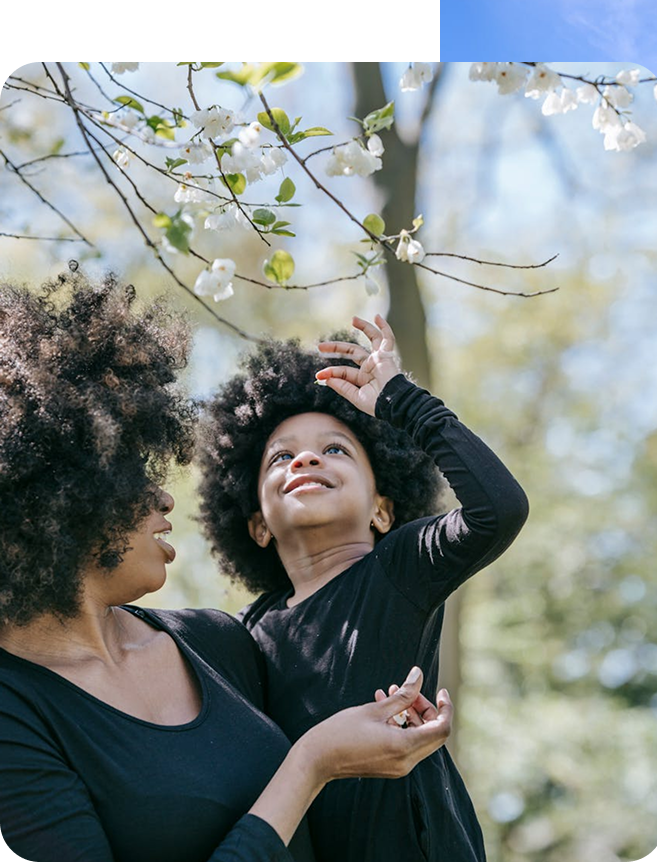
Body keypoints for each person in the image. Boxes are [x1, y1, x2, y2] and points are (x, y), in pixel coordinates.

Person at [0, 271, 454, 862]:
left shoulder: (218, 642)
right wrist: (311, 765)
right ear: (54, 497)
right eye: (132, 476)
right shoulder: (13, 713)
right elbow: (310, 761)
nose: (165, 499)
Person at [197, 313, 529, 862]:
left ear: (381, 509)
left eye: (336, 450)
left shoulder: (401, 568)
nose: (305, 458)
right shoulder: (249, 632)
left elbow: (500, 509)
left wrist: (401, 401)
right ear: (257, 524)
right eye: (281, 456)